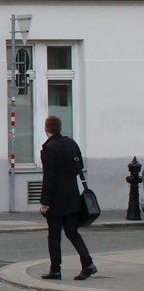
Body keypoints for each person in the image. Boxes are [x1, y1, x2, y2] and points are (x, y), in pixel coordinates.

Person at [39, 115, 96, 280]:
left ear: (46, 129)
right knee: (72, 232)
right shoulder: (71, 143)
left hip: (56, 199)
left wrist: (45, 201)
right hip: (72, 195)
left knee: (54, 234)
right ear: (60, 127)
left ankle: (55, 269)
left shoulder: (49, 149)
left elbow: (48, 176)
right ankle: (88, 263)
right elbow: (80, 167)